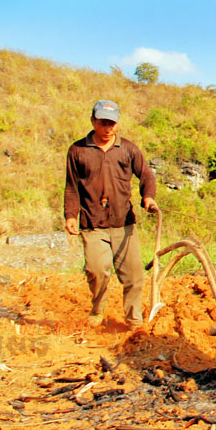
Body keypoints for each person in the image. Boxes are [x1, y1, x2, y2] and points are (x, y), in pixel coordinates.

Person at [64, 99, 158, 328]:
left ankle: (134, 319)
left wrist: (148, 196)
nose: (107, 129)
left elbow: (146, 175)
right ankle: (98, 310)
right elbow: (71, 186)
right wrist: (70, 215)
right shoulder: (78, 150)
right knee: (96, 271)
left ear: (117, 124)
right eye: (103, 123)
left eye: (112, 124)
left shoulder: (128, 149)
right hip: (93, 223)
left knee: (134, 275)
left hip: (124, 223)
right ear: (93, 121)